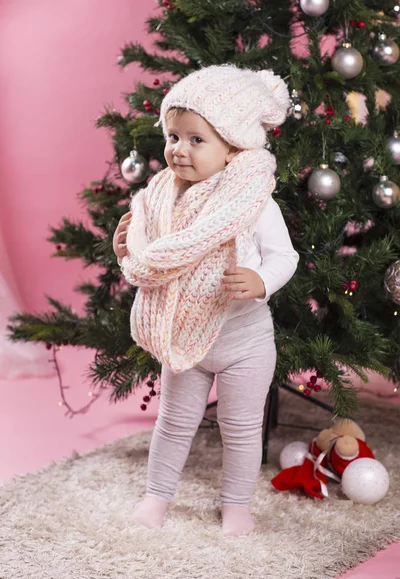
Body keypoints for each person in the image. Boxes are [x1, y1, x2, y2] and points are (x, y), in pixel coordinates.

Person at [113, 64, 299, 536]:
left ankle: (235, 504)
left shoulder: (254, 201)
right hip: (184, 329)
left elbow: (285, 256)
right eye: (173, 136)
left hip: (245, 339)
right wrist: (126, 250)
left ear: (233, 146)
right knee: (174, 424)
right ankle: (156, 497)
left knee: (239, 428)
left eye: (197, 140)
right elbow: (153, 263)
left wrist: (261, 280)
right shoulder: (160, 199)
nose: (179, 149)